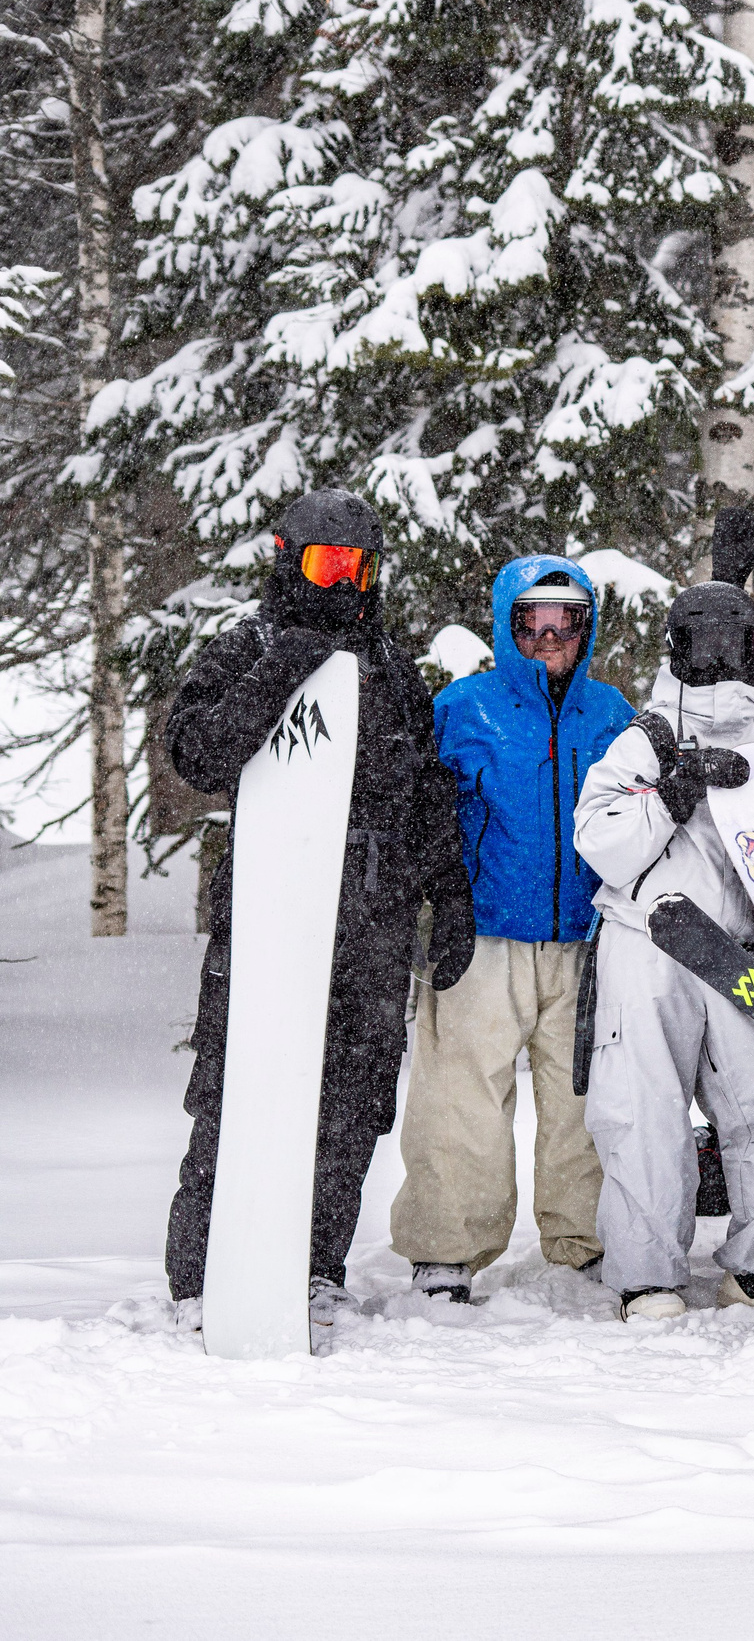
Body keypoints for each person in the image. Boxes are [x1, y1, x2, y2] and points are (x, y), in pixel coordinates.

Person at [163, 488, 475, 1326]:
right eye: (325, 565)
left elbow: (425, 792)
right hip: (273, 907)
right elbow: (194, 750)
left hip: (371, 916)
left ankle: (312, 1263)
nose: (342, 584)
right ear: (287, 560)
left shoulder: (391, 668)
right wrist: (276, 674)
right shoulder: (249, 645)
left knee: (353, 1099)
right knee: (241, 1081)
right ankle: (201, 1271)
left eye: (358, 567)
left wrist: (447, 894)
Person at [390, 557, 633, 1301]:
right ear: (509, 622)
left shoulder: (611, 712)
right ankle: (447, 1246)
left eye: (566, 620)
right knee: (460, 1092)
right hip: (482, 932)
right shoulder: (465, 708)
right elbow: (422, 816)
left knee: (585, 1095)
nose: (550, 635)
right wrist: (436, 905)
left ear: (586, 628)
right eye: (533, 619)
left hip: (585, 936)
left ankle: (584, 1237)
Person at [572, 573, 754, 1317]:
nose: (714, 656)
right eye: (699, 641)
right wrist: (673, 793)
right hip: (650, 935)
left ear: (752, 647)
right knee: (642, 1106)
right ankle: (647, 1273)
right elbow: (599, 840)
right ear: (675, 646)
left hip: (740, 948)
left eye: (729, 642)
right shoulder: (648, 737)